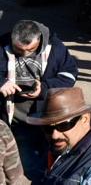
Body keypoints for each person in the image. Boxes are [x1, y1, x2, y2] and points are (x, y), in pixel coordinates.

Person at [0, 20, 79, 181]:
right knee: (28, 164)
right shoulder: (2, 44)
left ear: (40, 40)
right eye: (18, 50)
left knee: (54, 160)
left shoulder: (56, 49)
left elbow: (70, 75)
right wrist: (1, 82)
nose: (24, 54)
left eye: (30, 50)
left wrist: (44, 88)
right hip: (17, 120)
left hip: (47, 119)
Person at [25, 87, 91, 184]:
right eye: (47, 127)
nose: (54, 135)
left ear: (85, 119)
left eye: (64, 125)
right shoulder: (61, 146)